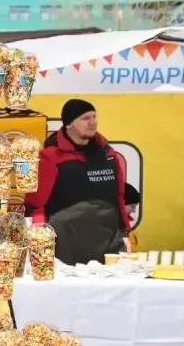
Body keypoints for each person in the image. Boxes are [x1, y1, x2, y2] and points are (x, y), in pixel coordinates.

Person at [24, 99, 130, 265]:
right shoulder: (49, 157)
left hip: (107, 245)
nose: (92, 122)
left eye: (94, 116)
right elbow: (36, 205)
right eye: (85, 118)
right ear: (68, 124)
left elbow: (119, 198)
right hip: (66, 246)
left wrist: (125, 233)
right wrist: (39, 240)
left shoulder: (109, 155)